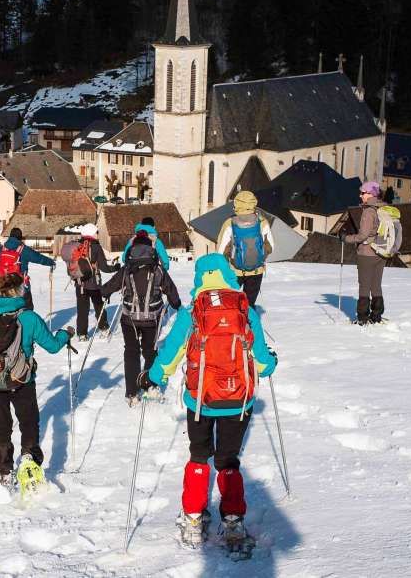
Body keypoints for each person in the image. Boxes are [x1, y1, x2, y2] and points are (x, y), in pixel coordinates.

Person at [147, 253, 277, 551]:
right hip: (238, 400)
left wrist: (155, 376)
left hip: (200, 400)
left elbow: (170, 355)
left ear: (199, 278)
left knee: (199, 455)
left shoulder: (192, 310)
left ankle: (193, 517)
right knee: (228, 460)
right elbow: (261, 361)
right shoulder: (244, 308)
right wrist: (271, 364)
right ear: (228, 275)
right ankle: (232, 520)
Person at [0, 273, 73, 486]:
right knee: (29, 421)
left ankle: (4, 470)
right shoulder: (29, 317)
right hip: (22, 380)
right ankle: (29, 460)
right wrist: (65, 335)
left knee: (1, 424)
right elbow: (52, 346)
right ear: (20, 290)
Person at [99, 232, 182, 405]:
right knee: (150, 351)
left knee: (131, 352)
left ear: (133, 248)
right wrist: (176, 304)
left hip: (129, 319)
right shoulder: (157, 268)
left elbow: (109, 287)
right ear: (150, 249)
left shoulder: (127, 268)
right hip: (152, 318)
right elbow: (170, 290)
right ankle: (150, 385)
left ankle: (131, 393)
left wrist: (104, 293)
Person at [216, 190, 274, 307]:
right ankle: (248, 323)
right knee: (249, 305)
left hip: (234, 271)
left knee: (230, 304)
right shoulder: (262, 222)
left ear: (236, 204)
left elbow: (220, 251)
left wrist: (228, 264)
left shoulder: (229, 223)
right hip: (256, 271)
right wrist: (259, 257)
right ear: (254, 204)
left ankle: (233, 323)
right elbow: (271, 246)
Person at [60, 227, 120, 339]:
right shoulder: (96, 247)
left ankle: (82, 334)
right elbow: (104, 267)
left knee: (82, 310)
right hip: (94, 284)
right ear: (92, 233)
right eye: (97, 232)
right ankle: (104, 329)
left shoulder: (77, 245)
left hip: (79, 282)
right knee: (99, 307)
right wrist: (116, 267)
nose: (98, 234)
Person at [344, 181, 387, 325]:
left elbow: (362, 236)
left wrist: (346, 238)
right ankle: (376, 316)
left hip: (367, 253)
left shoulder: (368, 211)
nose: (360, 195)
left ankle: (362, 318)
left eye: (363, 193)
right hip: (381, 252)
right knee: (376, 285)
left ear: (371, 194)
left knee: (364, 285)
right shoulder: (383, 207)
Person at [0, 228, 55, 311]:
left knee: (5, 311)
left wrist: (3, 274)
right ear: (20, 237)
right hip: (20, 286)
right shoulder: (23, 249)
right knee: (27, 311)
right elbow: (38, 258)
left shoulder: (2, 249)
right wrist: (51, 262)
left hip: (4, 285)